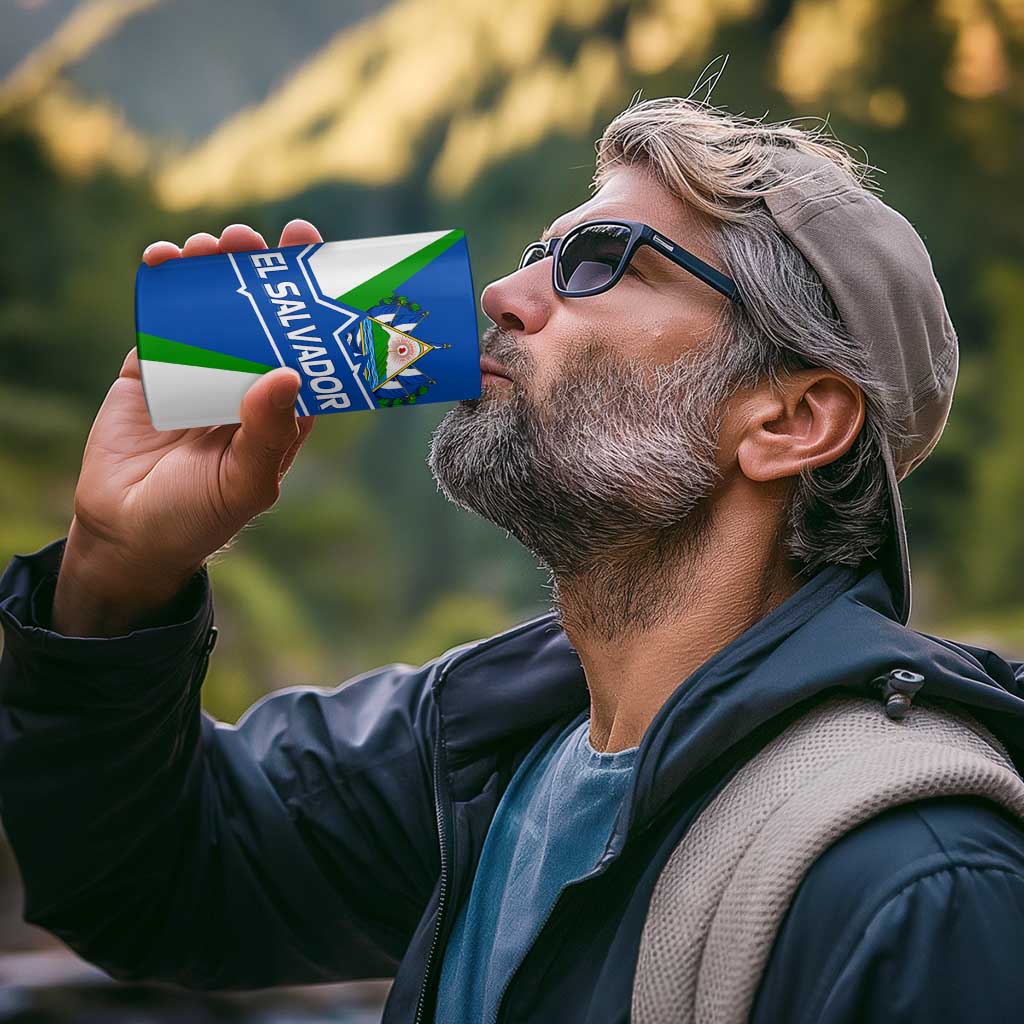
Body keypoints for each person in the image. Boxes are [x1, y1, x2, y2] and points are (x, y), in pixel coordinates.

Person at [2, 95, 1024, 1024]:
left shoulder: (918, 883)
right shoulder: (479, 749)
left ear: (791, 419)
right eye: (540, 252)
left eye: (600, 261)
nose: (502, 291)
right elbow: (149, 881)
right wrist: (116, 572)